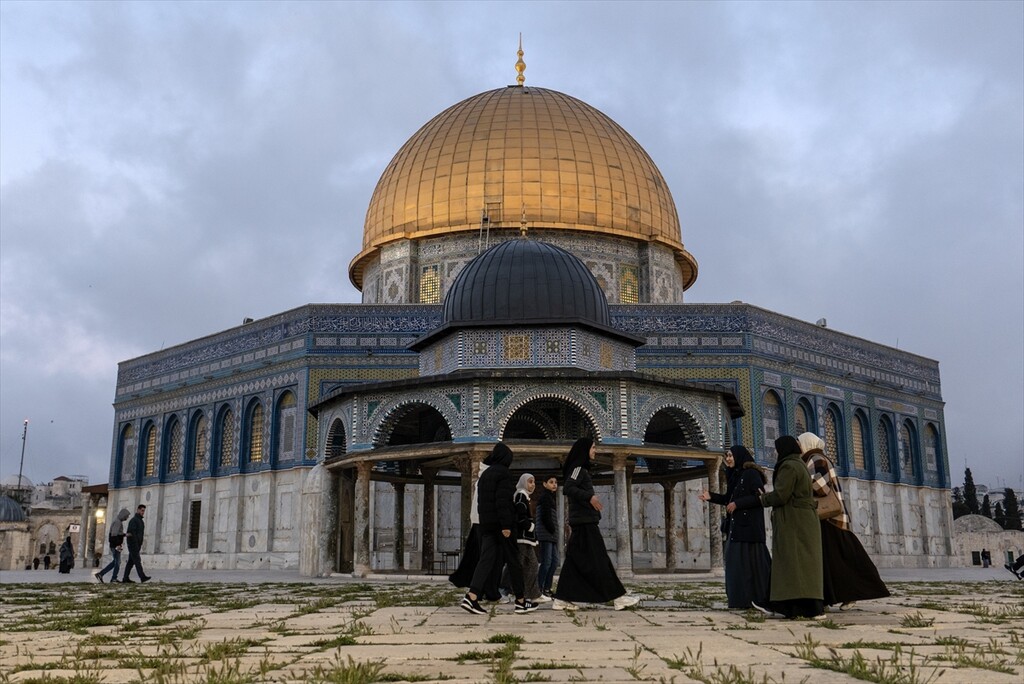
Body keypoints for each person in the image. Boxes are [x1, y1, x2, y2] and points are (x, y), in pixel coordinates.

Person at [796, 432, 889, 610]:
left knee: (843, 559)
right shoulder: (814, 459)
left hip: (830, 518)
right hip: (827, 518)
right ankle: (829, 597)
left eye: (800, 444)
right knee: (832, 561)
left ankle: (854, 593)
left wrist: (800, 483)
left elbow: (821, 488)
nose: (799, 448)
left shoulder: (816, 459)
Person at [553, 437, 639, 611]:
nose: (595, 451)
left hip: (585, 521)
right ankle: (618, 597)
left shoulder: (582, 470)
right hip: (584, 523)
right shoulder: (578, 469)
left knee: (574, 561)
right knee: (600, 559)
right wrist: (589, 497)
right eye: (593, 448)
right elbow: (568, 487)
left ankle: (562, 598)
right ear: (584, 450)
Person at [459, 443, 537, 615]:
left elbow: (481, 502)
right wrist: (507, 526)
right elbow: (502, 502)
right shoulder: (503, 474)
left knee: (485, 561)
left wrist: (486, 523)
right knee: (514, 562)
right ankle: (521, 601)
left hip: (487, 525)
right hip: (502, 527)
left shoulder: (485, 475)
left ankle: (471, 597)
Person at [752, 435, 823, 619]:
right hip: (800, 519)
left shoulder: (789, 466)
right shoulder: (799, 464)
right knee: (797, 566)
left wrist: (762, 498)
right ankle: (787, 606)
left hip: (794, 521)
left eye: (777, 448)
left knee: (791, 563)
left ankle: (803, 607)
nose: (775, 452)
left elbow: (782, 495)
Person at [699, 445, 771, 609]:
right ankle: (741, 600)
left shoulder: (751, 474)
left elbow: (760, 498)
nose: (728, 459)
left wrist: (738, 504)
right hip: (738, 528)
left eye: (731, 455)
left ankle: (758, 599)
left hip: (750, 530)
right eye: (727, 456)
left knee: (753, 567)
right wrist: (711, 497)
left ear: (739, 456)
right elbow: (727, 499)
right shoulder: (737, 475)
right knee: (736, 566)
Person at [449, 451, 503, 601]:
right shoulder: (489, 478)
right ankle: (488, 592)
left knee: (482, 559)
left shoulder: (481, 478)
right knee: (490, 560)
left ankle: (482, 591)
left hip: (478, 523)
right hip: (486, 523)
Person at [511, 473, 545, 602]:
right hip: (522, 536)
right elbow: (520, 515)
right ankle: (506, 589)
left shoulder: (525, 496)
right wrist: (529, 526)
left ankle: (531, 593)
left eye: (534, 482)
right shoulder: (520, 495)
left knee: (529, 565)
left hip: (526, 537)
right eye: (530, 482)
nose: (533, 485)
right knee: (521, 565)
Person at [535, 475, 560, 598]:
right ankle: (539, 588)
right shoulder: (545, 497)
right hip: (546, 534)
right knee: (546, 562)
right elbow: (545, 516)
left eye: (555, 482)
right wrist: (552, 529)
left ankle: (547, 588)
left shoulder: (550, 497)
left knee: (554, 562)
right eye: (551, 482)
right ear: (545, 484)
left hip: (551, 535)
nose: (554, 484)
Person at [95, 507, 130, 583]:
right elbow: (114, 535)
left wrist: (125, 535)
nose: (126, 518)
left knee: (115, 562)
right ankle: (112, 578)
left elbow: (118, 533)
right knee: (117, 562)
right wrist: (118, 545)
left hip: (115, 544)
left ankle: (101, 574)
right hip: (115, 545)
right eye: (126, 516)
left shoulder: (117, 521)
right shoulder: (118, 522)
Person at [122, 504, 152, 583]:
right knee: (137, 560)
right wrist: (135, 544)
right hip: (133, 545)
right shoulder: (134, 520)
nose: (143, 512)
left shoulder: (140, 521)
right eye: (142, 510)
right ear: (138, 510)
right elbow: (131, 534)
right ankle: (142, 577)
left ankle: (125, 578)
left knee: (130, 562)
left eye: (144, 511)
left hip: (137, 545)